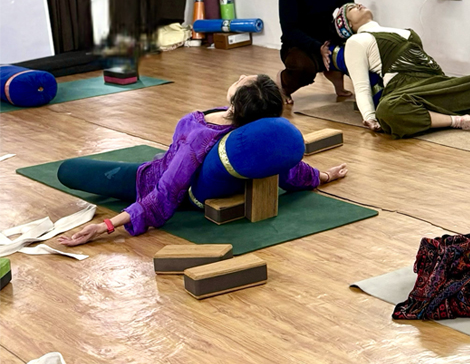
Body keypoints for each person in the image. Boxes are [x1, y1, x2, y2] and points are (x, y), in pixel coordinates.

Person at [56, 75, 348, 246]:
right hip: (168, 165)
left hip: (151, 179)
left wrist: (106, 226)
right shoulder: (244, 127)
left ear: (236, 102)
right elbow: (286, 169)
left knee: (68, 170)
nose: (238, 76)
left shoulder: (204, 137)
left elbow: (165, 192)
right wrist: (322, 176)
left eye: (240, 81)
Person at [332, 2, 470, 138]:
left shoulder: (403, 30)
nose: (357, 5)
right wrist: (370, 117)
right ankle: (460, 121)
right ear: (348, 25)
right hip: (407, 90)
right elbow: (361, 85)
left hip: (439, 83)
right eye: (350, 9)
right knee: (388, 111)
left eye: (355, 4)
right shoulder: (355, 41)